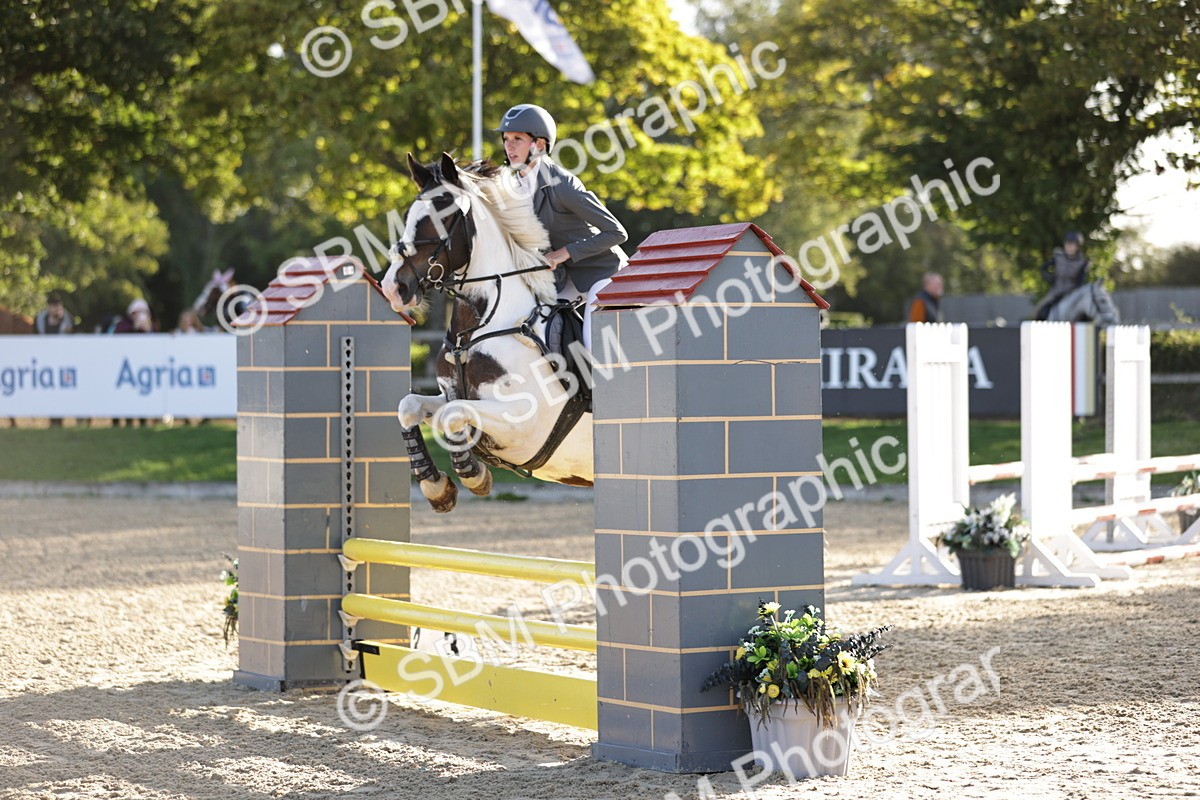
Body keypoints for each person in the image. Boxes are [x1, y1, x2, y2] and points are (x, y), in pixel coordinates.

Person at [495, 103, 627, 349]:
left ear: (539, 145)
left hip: (602, 274)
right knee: (530, 328)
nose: (509, 146)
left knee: (592, 341)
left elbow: (617, 232)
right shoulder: (513, 190)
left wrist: (565, 252)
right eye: (506, 139)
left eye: (517, 139)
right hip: (564, 281)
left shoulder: (563, 185)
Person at [1034, 231, 1090, 321]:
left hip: (1071, 294)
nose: (1069, 247)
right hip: (1056, 292)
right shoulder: (1058, 257)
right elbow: (1043, 268)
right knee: (1040, 310)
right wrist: (1049, 278)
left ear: (1077, 247)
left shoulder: (1082, 263)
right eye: (1067, 244)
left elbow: (1081, 283)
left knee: (1086, 315)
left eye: (1072, 245)